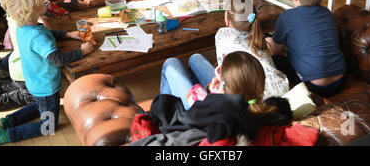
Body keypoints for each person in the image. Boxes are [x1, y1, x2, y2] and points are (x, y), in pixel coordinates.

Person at [0, 0, 96, 146]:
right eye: (43, 3)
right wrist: (82, 52)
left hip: (34, 82)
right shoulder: (37, 35)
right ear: (33, 10)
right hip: (46, 87)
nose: (46, 4)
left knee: (39, 105)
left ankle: (7, 121)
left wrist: (67, 34)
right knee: (48, 125)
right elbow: (56, 58)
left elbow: (47, 34)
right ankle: (7, 135)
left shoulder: (24, 28)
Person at [132, 51, 318, 146]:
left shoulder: (221, 124)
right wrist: (219, 93)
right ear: (260, 88)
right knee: (196, 58)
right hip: (224, 96)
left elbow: (194, 119)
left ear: (223, 85)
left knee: (171, 64)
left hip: (197, 108)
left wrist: (214, 99)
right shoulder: (271, 113)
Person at [266, 0, 347, 98]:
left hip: (315, 86)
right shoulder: (328, 14)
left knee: (274, 60)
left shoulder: (287, 17)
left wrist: (267, 40)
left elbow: (274, 50)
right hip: (340, 80)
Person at [215, 0, 290, 100]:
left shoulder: (222, 35)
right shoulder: (258, 39)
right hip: (280, 91)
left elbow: (222, 72)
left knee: (195, 59)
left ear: (227, 19)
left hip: (248, 95)